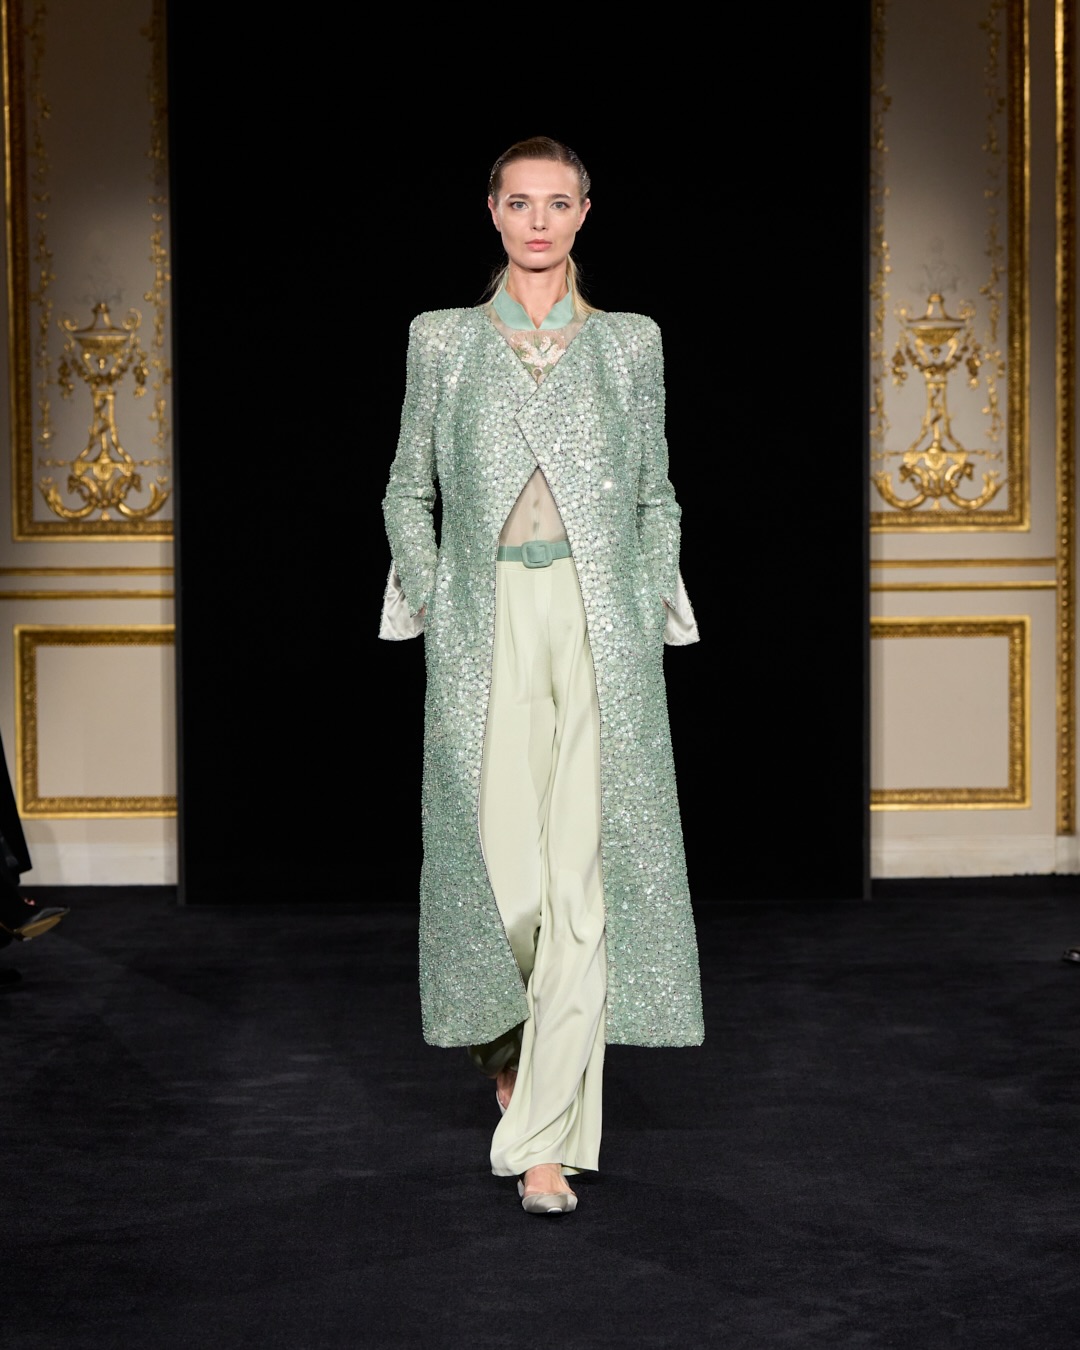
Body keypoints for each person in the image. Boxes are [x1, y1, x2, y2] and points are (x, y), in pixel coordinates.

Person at [380, 136, 703, 1215]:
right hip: (486, 620)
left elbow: (657, 494)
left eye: (557, 203)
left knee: (580, 892)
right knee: (504, 883)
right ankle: (509, 1056)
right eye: (520, 202)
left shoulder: (629, 344)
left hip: (596, 621)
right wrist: (438, 597)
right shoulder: (442, 339)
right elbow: (405, 489)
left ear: (584, 214)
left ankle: (544, 1143)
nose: (538, 221)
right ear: (492, 212)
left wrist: (639, 598)